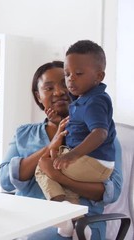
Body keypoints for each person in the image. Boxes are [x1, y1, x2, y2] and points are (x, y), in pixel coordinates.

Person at [0, 60, 122, 239]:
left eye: (65, 83)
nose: (60, 91)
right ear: (38, 96)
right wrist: (50, 146)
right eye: (48, 88)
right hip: (28, 219)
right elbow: (4, 181)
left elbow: (112, 192)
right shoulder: (24, 134)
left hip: (80, 226)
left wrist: (59, 177)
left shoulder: (101, 137)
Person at [34, 40, 116, 238]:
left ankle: (64, 213)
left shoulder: (95, 101)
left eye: (78, 74)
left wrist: (72, 155)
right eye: (68, 74)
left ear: (99, 76)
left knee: (43, 166)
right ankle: (77, 223)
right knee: (58, 172)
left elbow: (100, 133)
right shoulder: (83, 101)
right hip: (92, 163)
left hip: (94, 163)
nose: (70, 80)